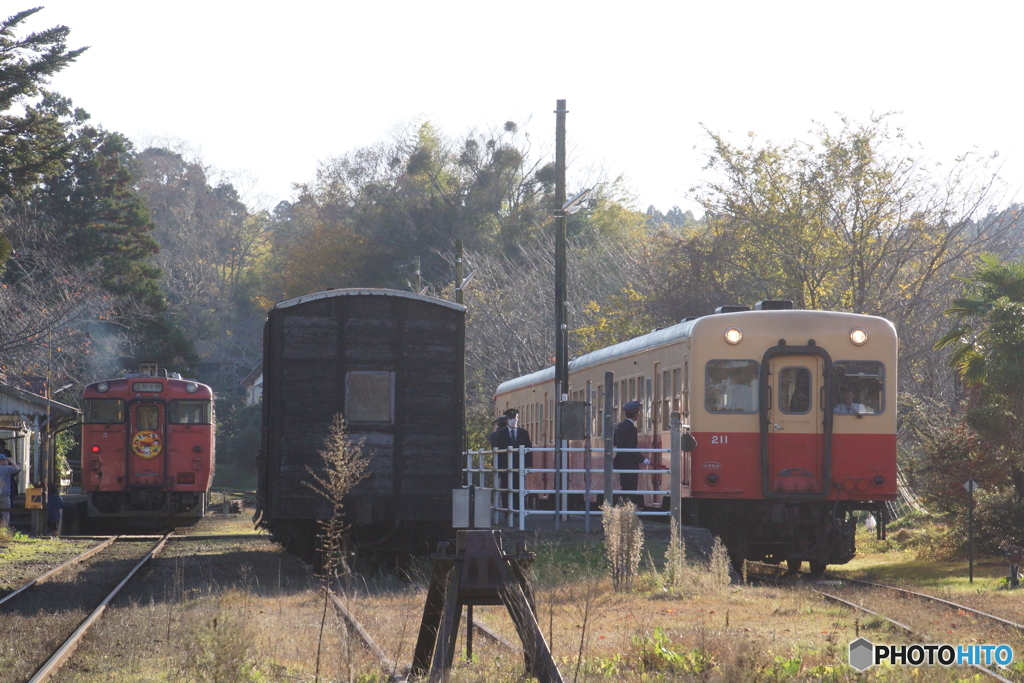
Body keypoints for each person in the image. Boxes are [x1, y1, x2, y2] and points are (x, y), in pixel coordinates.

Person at [494, 408, 532, 514]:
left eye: (515, 418)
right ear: (507, 420)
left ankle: (517, 510)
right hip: (505, 466)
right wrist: (497, 466)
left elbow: (529, 449)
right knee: (506, 488)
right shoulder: (501, 433)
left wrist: (529, 464)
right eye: (511, 418)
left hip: (519, 465)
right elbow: (497, 450)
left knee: (518, 487)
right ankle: (507, 510)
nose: (513, 420)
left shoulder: (523, 433)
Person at [613, 400, 649, 507]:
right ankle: (629, 510)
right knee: (631, 489)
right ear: (635, 414)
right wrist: (643, 459)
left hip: (621, 462)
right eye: (638, 413)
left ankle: (622, 508)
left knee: (625, 488)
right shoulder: (632, 429)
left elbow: (616, 442)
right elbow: (631, 448)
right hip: (630, 464)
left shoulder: (619, 426)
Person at [0, 452, 22, 528]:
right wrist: (12, 462)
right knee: (5, 513)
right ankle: (4, 528)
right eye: (5, 460)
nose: (6, 462)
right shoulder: (6, 469)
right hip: (4, 494)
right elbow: (17, 469)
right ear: (1, 461)